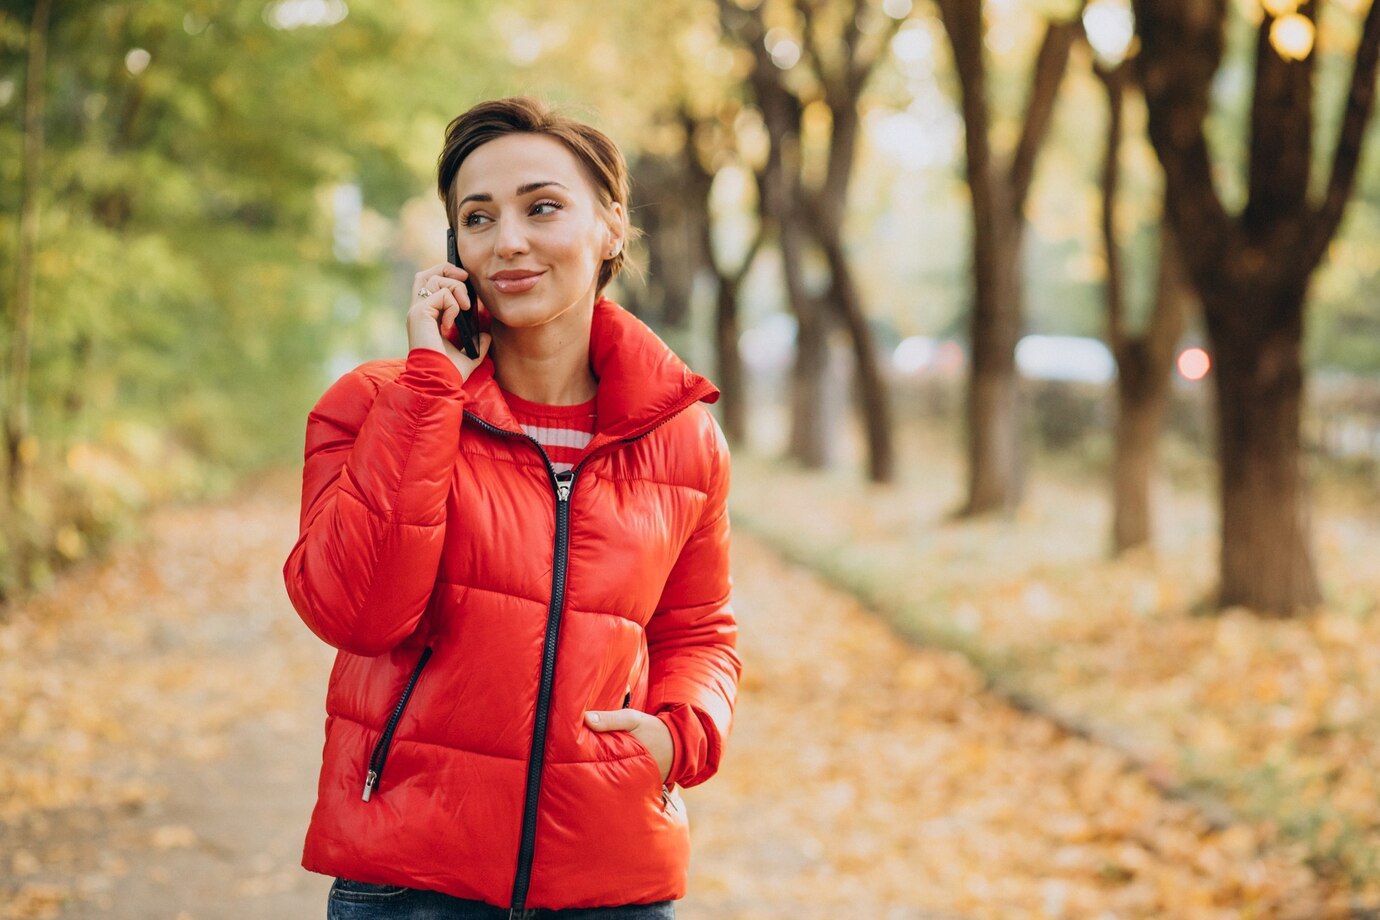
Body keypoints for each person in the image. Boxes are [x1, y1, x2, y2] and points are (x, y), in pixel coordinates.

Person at [281, 96, 742, 920]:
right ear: (454, 246)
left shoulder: (683, 438)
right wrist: (429, 389)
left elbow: (700, 629)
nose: (510, 241)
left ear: (610, 226)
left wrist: (679, 736)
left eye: (543, 207)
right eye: (478, 217)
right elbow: (357, 610)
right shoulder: (378, 407)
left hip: (613, 880)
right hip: (412, 882)